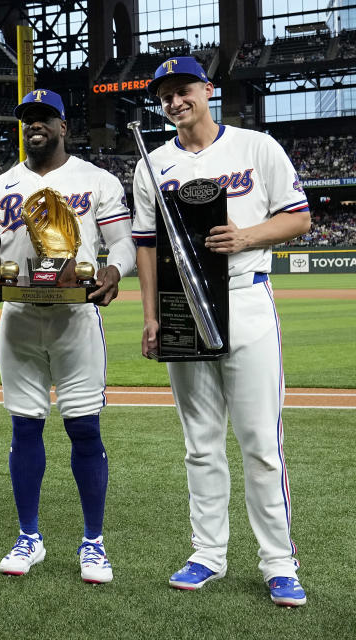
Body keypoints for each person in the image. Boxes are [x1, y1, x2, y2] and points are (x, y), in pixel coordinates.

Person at [132, 57, 311, 606]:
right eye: (165, 95)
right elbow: (145, 244)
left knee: (260, 444)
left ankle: (279, 564)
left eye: (183, 89)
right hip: (182, 304)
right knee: (200, 444)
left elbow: (299, 217)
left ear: (207, 90)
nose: (174, 101)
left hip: (245, 296)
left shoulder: (257, 147)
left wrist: (249, 236)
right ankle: (207, 553)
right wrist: (151, 315)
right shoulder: (152, 163)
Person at [0, 89, 135, 583]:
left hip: (76, 319)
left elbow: (123, 243)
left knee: (83, 427)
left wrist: (113, 273)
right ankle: (29, 536)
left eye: (45, 118)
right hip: (21, 316)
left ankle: (94, 543)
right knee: (25, 427)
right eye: (28, 119)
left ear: (64, 126)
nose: (35, 126)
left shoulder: (97, 179)